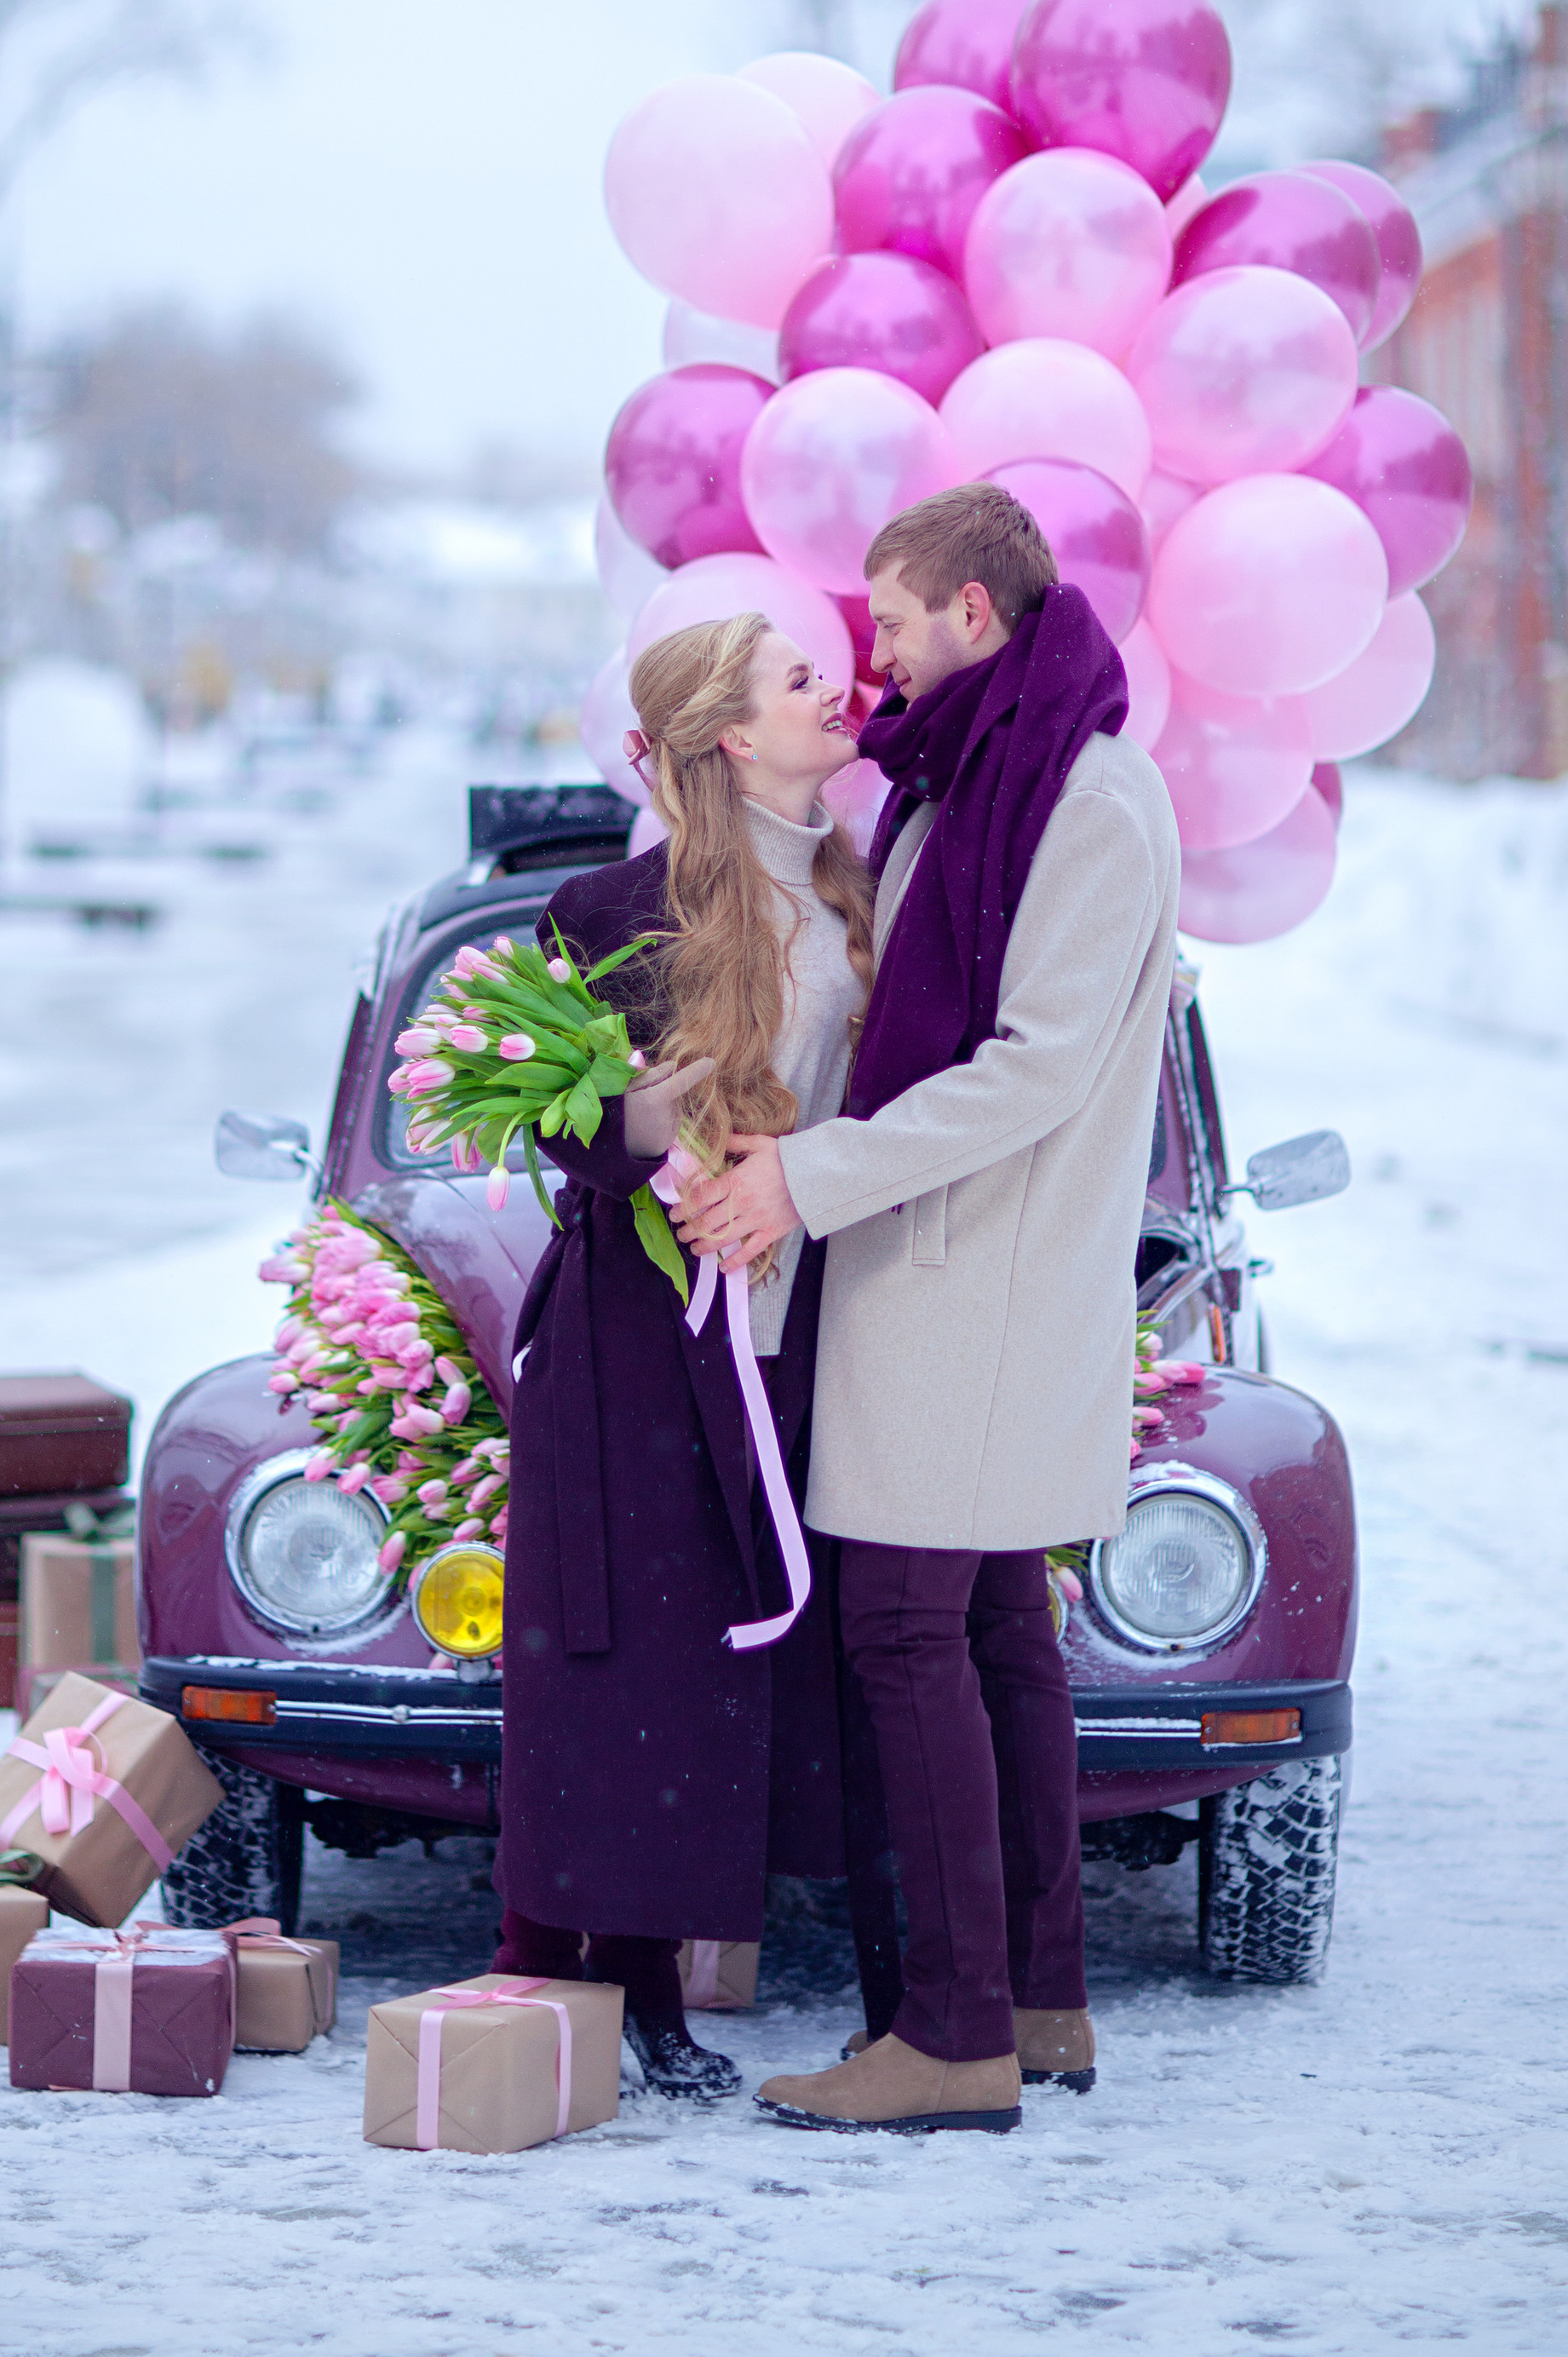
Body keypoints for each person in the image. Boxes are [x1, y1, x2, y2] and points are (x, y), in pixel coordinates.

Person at [673, 483, 1180, 2135]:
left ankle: (949, 2034)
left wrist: (806, 1176)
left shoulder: (1086, 798)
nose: (871, 661)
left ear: (974, 607)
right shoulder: (982, 778)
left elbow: (1031, 1069)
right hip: (953, 1268)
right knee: (988, 1632)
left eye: (889, 623)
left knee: (906, 1631)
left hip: (980, 1275)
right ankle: (1036, 2004)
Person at [491, 609, 874, 2095]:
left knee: (753, 1652)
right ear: (729, 734)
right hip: (639, 1344)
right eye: (797, 679)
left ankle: (725, 1962)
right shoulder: (608, 911)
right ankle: (605, 1983)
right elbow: (550, 1116)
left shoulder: (864, 885)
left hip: (812, 1317)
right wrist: (660, 1123)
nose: (832, 686)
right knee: (627, 1661)